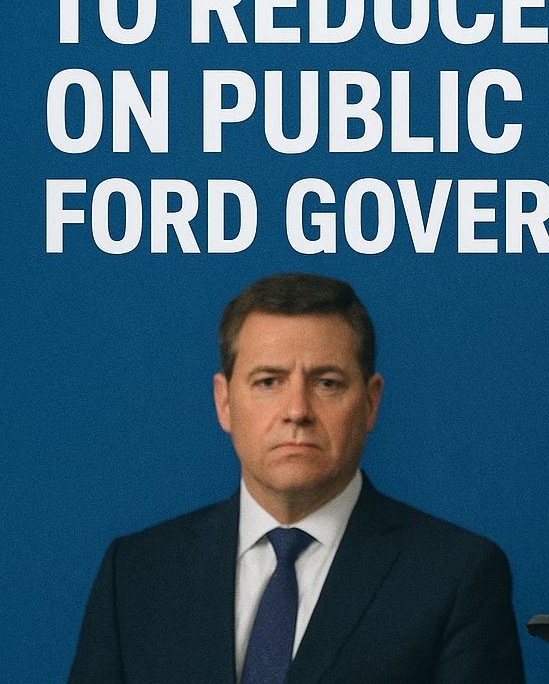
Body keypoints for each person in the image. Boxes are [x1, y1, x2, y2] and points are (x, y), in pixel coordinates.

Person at [67, 273, 525, 684]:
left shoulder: (455, 575)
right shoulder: (136, 572)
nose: (297, 411)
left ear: (370, 402)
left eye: (327, 383)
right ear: (224, 402)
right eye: (269, 381)